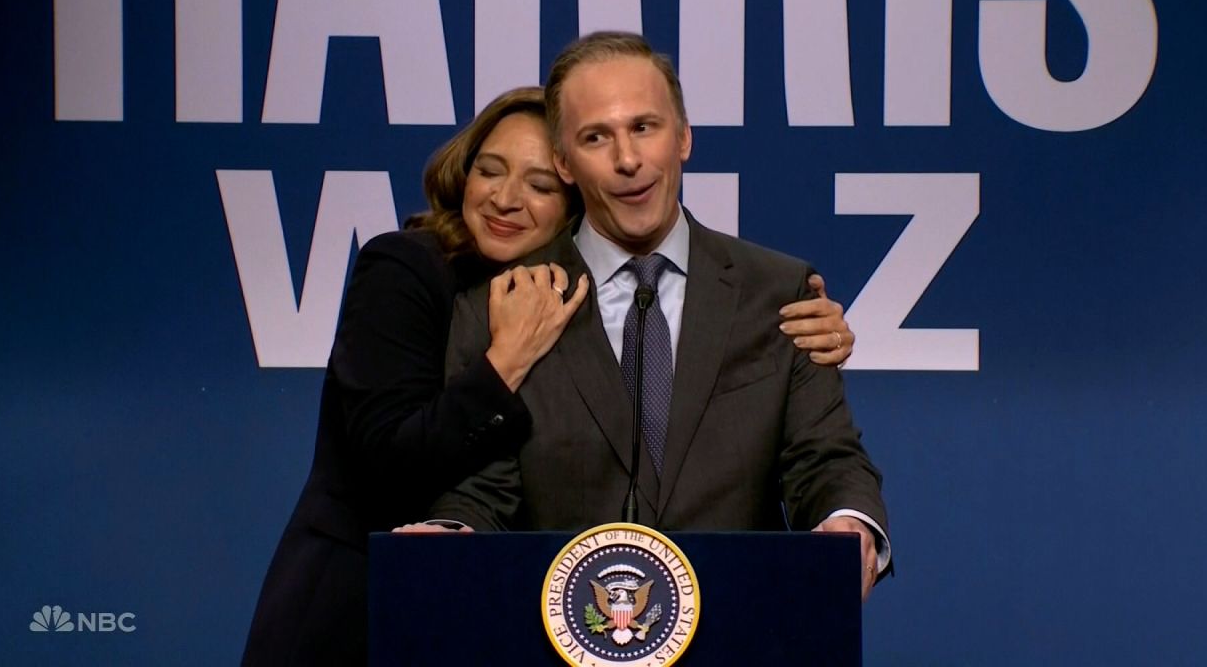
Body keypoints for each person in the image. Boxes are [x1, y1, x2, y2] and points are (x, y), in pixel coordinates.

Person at [243, 86, 858, 664]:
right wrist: (505, 358)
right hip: (356, 603)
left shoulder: (576, 294)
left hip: (494, 610)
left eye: (539, 183)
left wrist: (802, 330)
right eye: (489, 169)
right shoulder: (408, 268)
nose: (505, 198)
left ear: (573, 202)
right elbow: (386, 460)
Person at [428, 32, 892, 601]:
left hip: (741, 629)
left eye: (644, 128)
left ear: (684, 137)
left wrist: (848, 522)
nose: (627, 160)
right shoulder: (500, 305)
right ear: (564, 162)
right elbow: (481, 489)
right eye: (596, 137)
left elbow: (824, 458)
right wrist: (446, 534)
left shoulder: (779, 294)